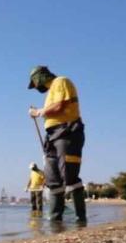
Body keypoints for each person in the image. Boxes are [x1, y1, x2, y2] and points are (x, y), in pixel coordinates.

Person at [28, 65, 86, 222]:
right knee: (52, 177)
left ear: (40, 77)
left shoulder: (61, 81)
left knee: (70, 174)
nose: (37, 88)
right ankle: (55, 220)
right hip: (52, 136)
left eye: (35, 83)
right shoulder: (50, 92)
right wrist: (41, 113)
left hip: (67, 131)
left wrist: (39, 112)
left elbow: (60, 106)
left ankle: (80, 219)